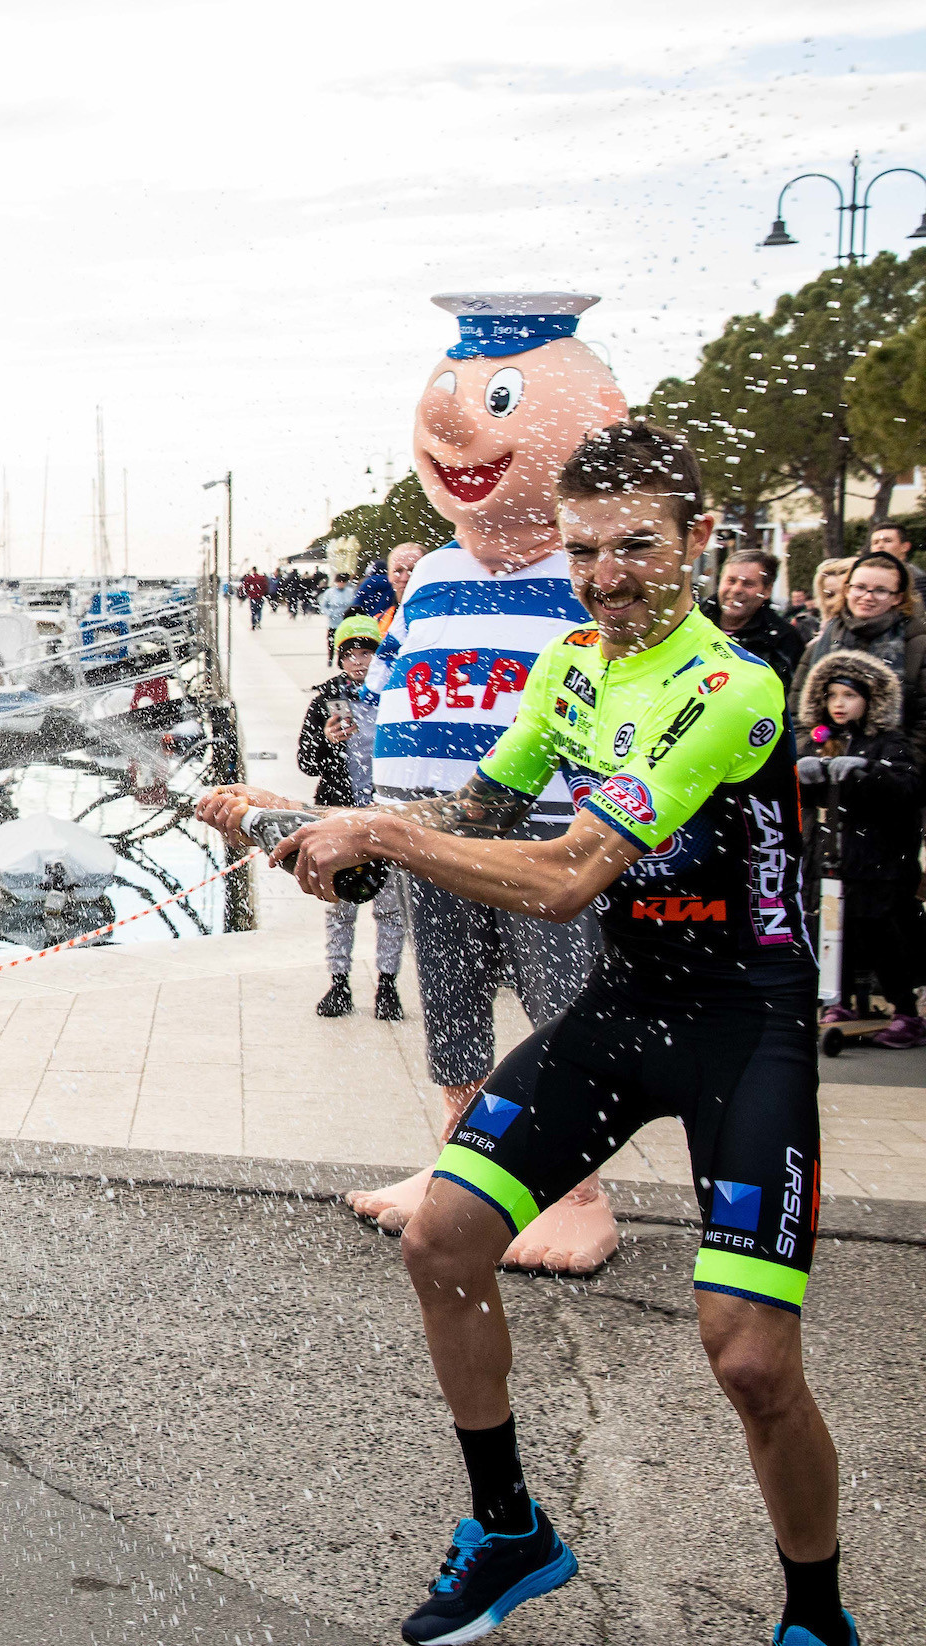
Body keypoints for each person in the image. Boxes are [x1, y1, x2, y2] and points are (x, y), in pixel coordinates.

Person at [201, 420, 856, 1646]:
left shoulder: (734, 687)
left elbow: (565, 873)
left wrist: (379, 835)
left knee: (752, 1361)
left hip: (745, 1027)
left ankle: (817, 1618)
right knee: (443, 1240)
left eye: (637, 547)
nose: (608, 577)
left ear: (701, 539)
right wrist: (308, 817)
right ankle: (510, 1531)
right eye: (586, 551)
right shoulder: (572, 665)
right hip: (625, 1003)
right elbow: (475, 810)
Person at [350, 293, 629, 1273]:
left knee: (564, 1006)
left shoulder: (587, 573)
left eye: (500, 397)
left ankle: (574, 1189)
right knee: (452, 1000)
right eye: (449, 391)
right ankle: (461, 1160)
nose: (452, 420)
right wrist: (369, 805)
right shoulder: (426, 576)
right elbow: (384, 691)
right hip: (428, 832)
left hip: (551, 834)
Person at [798, 649, 925, 1046]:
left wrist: (867, 772)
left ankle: (905, 1010)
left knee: (884, 936)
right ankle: (839, 1001)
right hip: (830, 857)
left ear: (870, 700)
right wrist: (803, 776)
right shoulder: (821, 741)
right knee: (834, 933)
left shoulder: (888, 743)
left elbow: (908, 788)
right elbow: (803, 797)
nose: (839, 704)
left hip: (877, 862)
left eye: (849, 696)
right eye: (832, 695)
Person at [297, 615, 407, 1018]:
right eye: (350, 654)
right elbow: (306, 762)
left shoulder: (397, 694)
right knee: (340, 904)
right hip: (339, 816)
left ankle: (387, 986)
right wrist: (327, 741)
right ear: (339, 659)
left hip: (384, 816)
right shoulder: (327, 699)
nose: (359, 662)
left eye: (367, 653)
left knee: (390, 907)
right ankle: (339, 983)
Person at [790, 550, 926, 764]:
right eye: (859, 587)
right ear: (847, 589)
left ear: (898, 597)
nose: (867, 596)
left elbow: (923, 720)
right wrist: (814, 754)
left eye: (881, 590)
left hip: (892, 771)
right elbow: (798, 711)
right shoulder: (823, 642)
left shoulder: (917, 644)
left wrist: (895, 765)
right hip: (823, 766)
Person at [703, 546, 804, 685]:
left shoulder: (783, 639)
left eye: (748, 584)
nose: (736, 589)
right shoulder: (693, 620)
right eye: (731, 581)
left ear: (767, 591)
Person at [320, 572, 358, 655]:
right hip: (333, 621)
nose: (341, 584)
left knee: (345, 641)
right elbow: (323, 605)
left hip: (346, 621)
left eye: (343, 582)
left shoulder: (350, 592)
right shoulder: (330, 592)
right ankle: (330, 656)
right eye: (339, 582)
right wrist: (329, 613)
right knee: (331, 641)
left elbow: (354, 604)